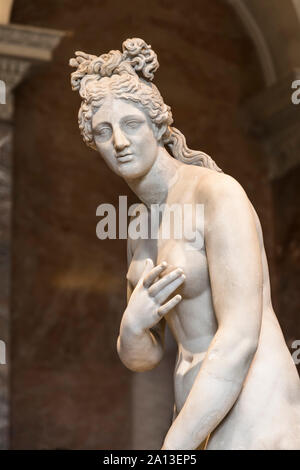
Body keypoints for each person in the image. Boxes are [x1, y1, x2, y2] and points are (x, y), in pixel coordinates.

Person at [69, 38, 300, 450]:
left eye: (132, 124)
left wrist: (174, 447)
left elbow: (240, 337)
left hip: (253, 402)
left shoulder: (217, 195)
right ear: (93, 142)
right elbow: (146, 357)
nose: (119, 142)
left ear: (158, 125)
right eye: (104, 131)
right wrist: (132, 327)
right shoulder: (139, 224)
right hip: (196, 407)